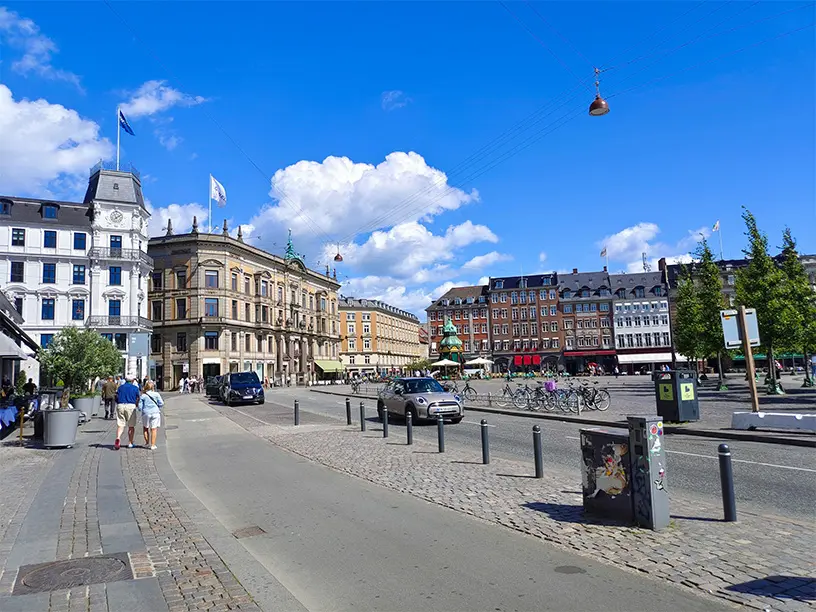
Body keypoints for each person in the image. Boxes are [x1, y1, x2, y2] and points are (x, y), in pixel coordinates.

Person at [114, 375, 140, 450]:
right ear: (132, 381)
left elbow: (116, 396)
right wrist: (136, 404)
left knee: (120, 424)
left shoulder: (120, 387)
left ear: (125, 380)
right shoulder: (135, 388)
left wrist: (118, 402)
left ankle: (118, 438)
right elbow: (138, 397)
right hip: (130, 406)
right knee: (131, 426)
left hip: (120, 405)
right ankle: (130, 443)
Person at [138, 380, 164, 450]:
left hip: (146, 413)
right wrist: (157, 406)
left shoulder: (143, 395)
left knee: (145, 428)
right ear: (153, 387)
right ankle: (153, 445)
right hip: (155, 413)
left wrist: (142, 409)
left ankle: (147, 443)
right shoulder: (156, 394)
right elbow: (161, 403)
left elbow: (140, 407)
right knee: (154, 429)